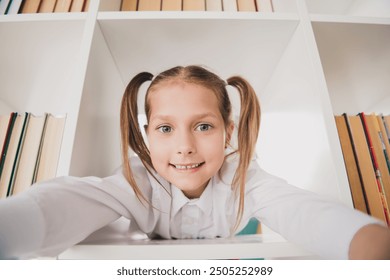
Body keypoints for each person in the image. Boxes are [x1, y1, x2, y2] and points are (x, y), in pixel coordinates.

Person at [0, 65, 389, 260]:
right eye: (166, 129)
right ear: (147, 133)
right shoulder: (136, 180)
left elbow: (302, 210)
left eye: (202, 126)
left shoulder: (244, 179)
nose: (184, 147)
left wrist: (370, 245)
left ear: (228, 131)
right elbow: (70, 200)